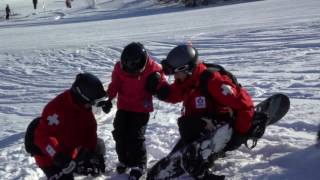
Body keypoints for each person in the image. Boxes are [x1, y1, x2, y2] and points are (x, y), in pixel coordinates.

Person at [145, 44, 255, 179]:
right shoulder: (190, 79)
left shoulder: (213, 81)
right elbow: (175, 94)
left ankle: (200, 169)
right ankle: (193, 155)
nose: (176, 77)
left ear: (187, 68)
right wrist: (159, 90)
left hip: (221, 128)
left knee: (187, 125)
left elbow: (245, 105)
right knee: (185, 134)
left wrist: (239, 134)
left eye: (177, 73)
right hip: (201, 127)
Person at [104, 42, 166, 180]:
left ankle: (139, 164)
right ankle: (124, 159)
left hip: (141, 108)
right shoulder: (119, 68)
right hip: (124, 106)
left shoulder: (152, 68)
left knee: (135, 136)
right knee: (119, 132)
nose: (131, 72)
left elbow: (162, 76)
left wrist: (158, 80)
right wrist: (108, 99)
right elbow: (115, 85)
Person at [31, 73, 108, 180]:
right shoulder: (56, 109)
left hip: (71, 151)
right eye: (91, 102)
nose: (92, 105)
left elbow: (90, 128)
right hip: (53, 158)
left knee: (99, 146)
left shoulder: (83, 107)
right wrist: (58, 156)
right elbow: (42, 137)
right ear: (82, 97)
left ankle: (79, 166)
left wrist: (89, 151)